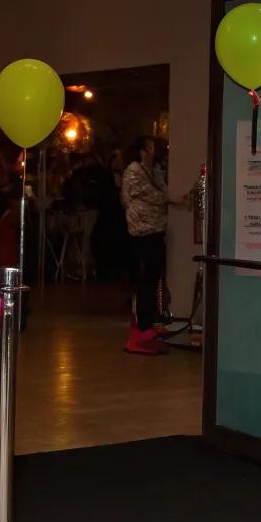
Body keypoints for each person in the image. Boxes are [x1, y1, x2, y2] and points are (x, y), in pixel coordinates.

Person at [120, 135, 174, 356]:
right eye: (151, 147)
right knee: (145, 281)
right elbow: (156, 195)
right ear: (142, 150)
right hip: (141, 233)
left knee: (153, 279)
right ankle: (141, 331)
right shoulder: (134, 171)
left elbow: (163, 191)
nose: (155, 151)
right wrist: (167, 198)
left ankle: (148, 326)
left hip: (156, 231)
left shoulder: (156, 170)